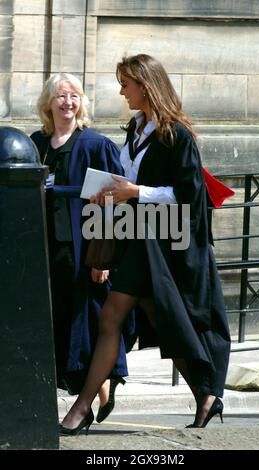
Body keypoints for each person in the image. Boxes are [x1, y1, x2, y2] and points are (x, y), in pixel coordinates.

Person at [59, 54, 231, 435]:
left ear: (146, 85)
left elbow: (189, 195)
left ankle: (81, 408)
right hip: (136, 238)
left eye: (126, 84)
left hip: (165, 245)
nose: (122, 91)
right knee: (148, 317)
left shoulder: (177, 135)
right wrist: (110, 193)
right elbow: (129, 184)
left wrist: (135, 191)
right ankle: (206, 395)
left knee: (113, 317)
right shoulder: (134, 131)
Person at [30, 73, 134, 423]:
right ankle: (101, 391)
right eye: (61, 96)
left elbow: (111, 204)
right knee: (61, 326)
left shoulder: (94, 145)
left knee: (86, 324)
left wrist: (102, 257)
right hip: (45, 254)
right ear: (48, 103)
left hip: (82, 253)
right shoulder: (35, 144)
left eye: (74, 96)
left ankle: (91, 399)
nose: (68, 102)